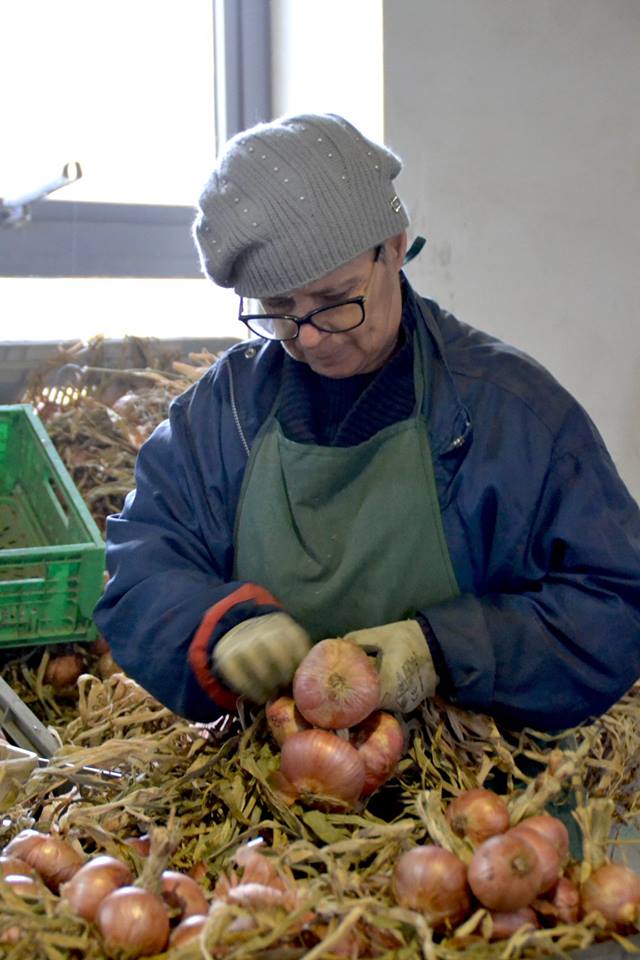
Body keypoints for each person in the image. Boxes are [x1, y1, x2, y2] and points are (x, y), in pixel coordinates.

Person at [94, 112, 640, 733]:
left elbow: (618, 602)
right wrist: (213, 626)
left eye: (335, 301)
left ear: (397, 247)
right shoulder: (219, 417)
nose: (312, 338)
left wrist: (446, 648)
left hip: (476, 793)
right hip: (275, 786)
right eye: (279, 310)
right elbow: (141, 568)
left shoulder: (509, 415)